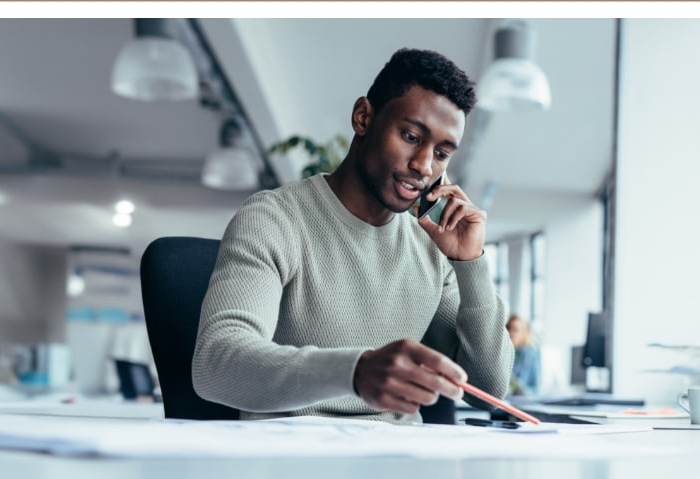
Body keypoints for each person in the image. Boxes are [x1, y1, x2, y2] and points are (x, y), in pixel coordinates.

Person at [192, 48, 513, 424]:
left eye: (441, 153)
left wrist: (469, 264)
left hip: (400, 461)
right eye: (411, 136)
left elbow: (489, 392)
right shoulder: (275, 219)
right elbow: (215, 365)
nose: (424, 166)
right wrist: (353, 372)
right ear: (363, 117)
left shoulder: (429, 245)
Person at [506, 315, 540, 396]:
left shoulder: (529, 354)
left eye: (515, 330)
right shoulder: (504, 352)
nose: (511, 333)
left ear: (524, 333)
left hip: (522, 398)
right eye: (509, 329)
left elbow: (531, 387)